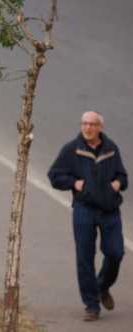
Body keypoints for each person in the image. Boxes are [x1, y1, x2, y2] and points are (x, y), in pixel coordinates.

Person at [48, 111, 128, 321]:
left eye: (92, 124)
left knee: (116, 252)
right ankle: (92, 306)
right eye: (84, 124)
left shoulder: (111, 149)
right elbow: (55, 175)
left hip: (110, 210)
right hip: (85, 209)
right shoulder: (71, 150)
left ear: (100, 127)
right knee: (85, 258)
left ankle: (102, 286)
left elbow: (123, 176)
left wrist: (117, 184)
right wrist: (74, 183)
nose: (87, 128)